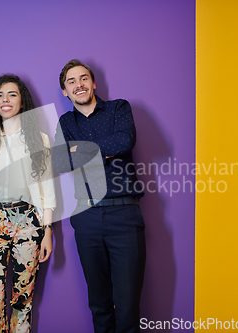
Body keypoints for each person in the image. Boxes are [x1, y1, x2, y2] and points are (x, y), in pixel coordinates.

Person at [52, 60, 146, 333]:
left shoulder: (119, 108)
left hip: (124, 215)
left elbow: (124, 140)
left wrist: (81, 152)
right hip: (86, 217)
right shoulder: (66, 122)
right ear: (65, 92)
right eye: (71, 81)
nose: (78, 84)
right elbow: (61, 162)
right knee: (99, 305)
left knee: (128, 306)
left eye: (83, 78)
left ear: (93, 83)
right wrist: (101, 151)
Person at [0, 74, 55, 333]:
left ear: (22, 101)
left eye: (12, 94)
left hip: (28, 221)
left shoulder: (39, 140)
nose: (5, 100)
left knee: (23, 300)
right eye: (0, 95)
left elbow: (46, 187)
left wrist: (48, 230)